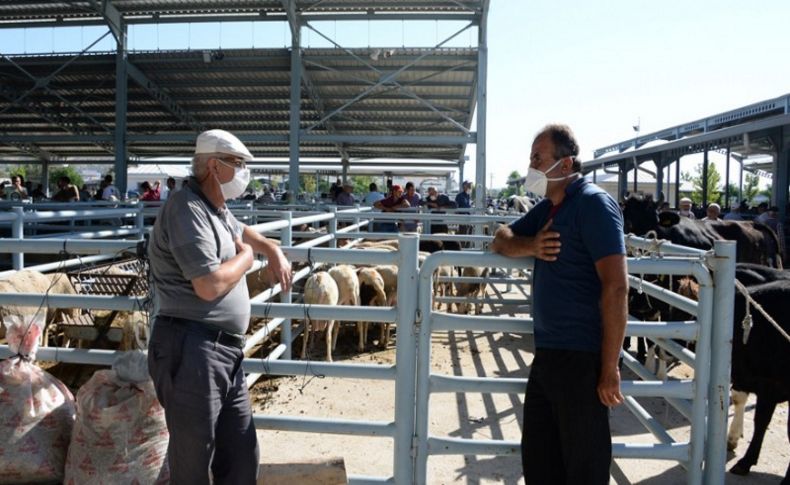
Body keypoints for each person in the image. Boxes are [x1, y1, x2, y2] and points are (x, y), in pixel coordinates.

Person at [147, 129, 292, 484]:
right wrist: (247, 257)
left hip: (222, 351)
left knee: (242, 454)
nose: (243, 172)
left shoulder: (215, 209)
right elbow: (209, 285)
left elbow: (240, 229)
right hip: (192, 345)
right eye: (237, 164)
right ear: (214, 166)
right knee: (194, 459)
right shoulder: (186, 207)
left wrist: (270, 247)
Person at [490, 124, 628, 484]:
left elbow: (615, 287)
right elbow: (501, 238)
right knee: (539, 461)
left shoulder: (593, 204)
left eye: (538, 158)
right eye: (531, 157)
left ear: (565, 165)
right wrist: (530, 247)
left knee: (583, 468)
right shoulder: (550, 208)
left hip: (582, 359)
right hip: (548, 355)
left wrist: (610, 366)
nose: (531, 165)